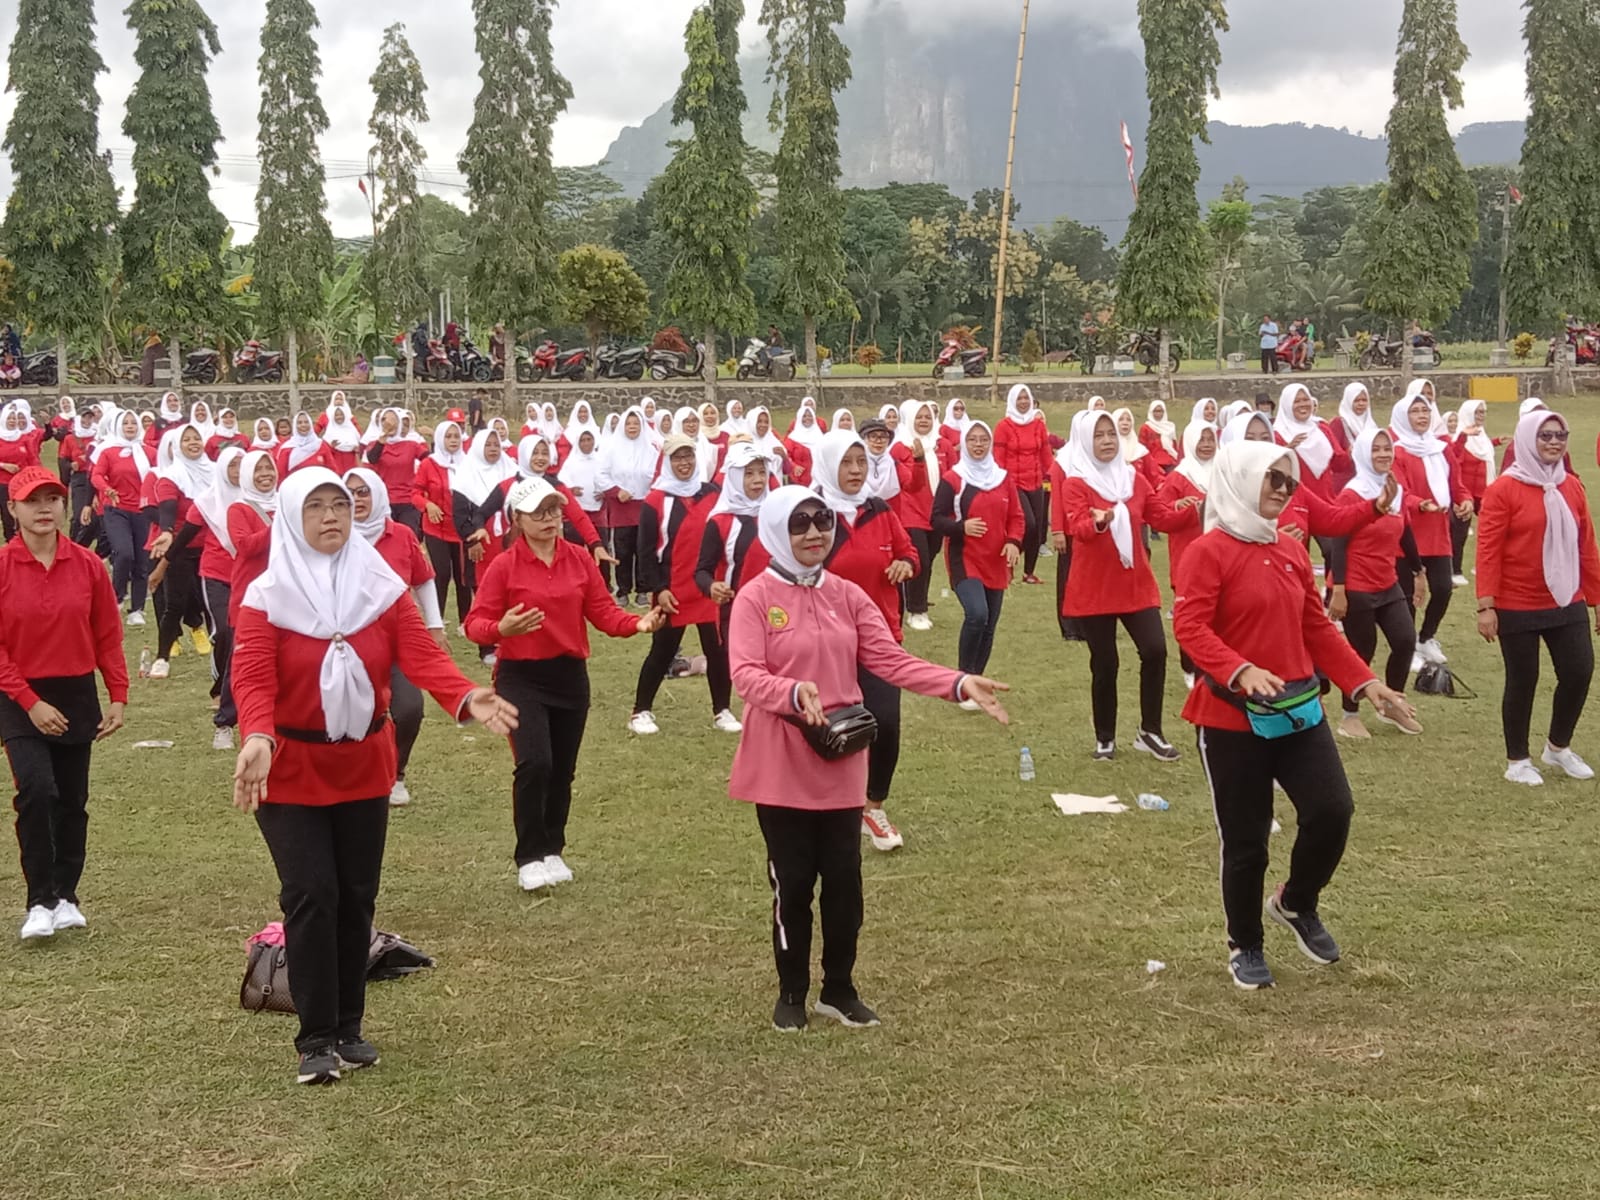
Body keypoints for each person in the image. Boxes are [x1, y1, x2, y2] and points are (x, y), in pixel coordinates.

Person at [231, 468, 518, 1085]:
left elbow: (422, 655)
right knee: (312, 894)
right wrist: (257, 733)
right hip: (291, 769)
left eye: (340, 504)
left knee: (356, 895)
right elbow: (252, 676)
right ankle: (314, 1039)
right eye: (317, 507)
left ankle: (348, 1027)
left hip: (363, 764)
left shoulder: (378, 586)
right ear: (290, 518)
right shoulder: (267, 596)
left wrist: (468, 696)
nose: (332, 515)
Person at [728, 485, 1009, 1030]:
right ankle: (792, 993)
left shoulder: (847, 595)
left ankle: (839, 988)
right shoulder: (756, 598)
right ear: (776, 531)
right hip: (782, 759)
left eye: (823, 521)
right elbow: (744, 673)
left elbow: (890, 660)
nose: (814, 533)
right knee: (791, 882)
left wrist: (957, 683)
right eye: (800, 523)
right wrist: (791, 694)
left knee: (844, 880)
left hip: (840, 759)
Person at [1173, 441, 1413, 990]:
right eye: (1271, 478)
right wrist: (1240, 671)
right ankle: (1246, 944)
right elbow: (1191, 629)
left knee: (1334, 810)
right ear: (1240, 479)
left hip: (1299, 712)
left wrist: (1368, 683)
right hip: (1231, 721)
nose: (1283, 488)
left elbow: (1316, 628)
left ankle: (1297, 902)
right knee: (1247, 839)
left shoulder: (1288, 548)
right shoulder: (1206, 552)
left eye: (1288, 480)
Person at [466, 478, 662, 891]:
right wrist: (502, 627)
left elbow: (605, 613)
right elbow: (474, 625)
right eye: (539, 512)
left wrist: (638, 623)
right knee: (535, 763)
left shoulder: (577, 558)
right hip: (521, 677)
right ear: (517, 519)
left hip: (570, 677)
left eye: (554, 510)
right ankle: (528, 855)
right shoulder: (505, 566)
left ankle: (553, 848)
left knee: (562, 770)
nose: (550, 519)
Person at [0, 467, 127, 941]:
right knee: (36, 790)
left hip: (76, 691)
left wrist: (117, 695)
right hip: (18, 695)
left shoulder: (88, 565)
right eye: (32, 501)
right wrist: (30, 702)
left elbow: (106, 635)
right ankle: (39, 900)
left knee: (73, 800)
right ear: (12, 509)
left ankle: (67, 897)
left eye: (53, 499)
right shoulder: (3, 566)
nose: (45, 508)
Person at [1476, 409, 1600, 787]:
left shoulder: (1571, 486)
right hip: (1517, 602)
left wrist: (1596, 599)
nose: (1553, 443)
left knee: (1579, 671)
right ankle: (1517, 760)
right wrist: (1486, 605)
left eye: (1559, 436)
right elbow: (1488, 548)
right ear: (1529, 440)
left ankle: (1558, 747)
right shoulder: (1504, 489)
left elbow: (1586, 545)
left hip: (1566, 598)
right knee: (1523, 679)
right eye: (1545, 436)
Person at [810, 429, 920, 853]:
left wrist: (904, 565)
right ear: (828, 465)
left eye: (861, 462)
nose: (856, 470)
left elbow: (910, 552)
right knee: (830, 728)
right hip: (826, 642)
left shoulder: (880, 509)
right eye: (846, 463)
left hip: (880, 640)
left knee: (886, 723)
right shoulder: (812, 514)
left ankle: (872, 805)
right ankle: (829, 808)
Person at [1055, 409, 1183, 762]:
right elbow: (1079, 528)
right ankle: (1105, 737)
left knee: (1155, 650)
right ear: (1085, 440)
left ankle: (1150, 731)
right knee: (1105, 661)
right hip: (1095, 587)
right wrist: (1101, 522)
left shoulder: (1133, 479)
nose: (1108, 441)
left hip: (1134, 583)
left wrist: (1193, 509)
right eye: (1099, 435)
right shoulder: (1076, 483)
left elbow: (1160, 517)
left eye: (1111, 433)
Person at [345, 468, 446, 807]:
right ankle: (359, 775)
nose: (357, 499)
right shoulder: (336, 535)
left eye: (363, 492)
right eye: (351, 493)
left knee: (409, 708)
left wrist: (435, 625)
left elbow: (423, 578)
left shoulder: (401, 535)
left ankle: (396, 774)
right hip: (349, 642)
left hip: (398, 639)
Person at [629, 435, 731, 735]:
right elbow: (645, 553)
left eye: (688, 456)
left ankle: (722, 710)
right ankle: (640, 711)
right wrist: (659, 590)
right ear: (667, 461)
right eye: (677, 457)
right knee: (662, 651)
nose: (684, 463)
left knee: (718, 650)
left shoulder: (713, 492)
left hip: (708, 587)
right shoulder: (654, 501)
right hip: (672, 590)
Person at [1327, 428, 1420, 739]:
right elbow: (1337, 543)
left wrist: (1419, 572)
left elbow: (1405, 531)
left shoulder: (1395, 489)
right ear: (1364, 454)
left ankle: (1392, 704)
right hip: (1356, 585)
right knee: (1360, 651)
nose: (1383, 454)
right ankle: (1349, 715)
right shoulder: (1352, 494)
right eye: (1376, 449)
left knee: (1406, 640)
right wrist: (1338, 589)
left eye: (1387, 448)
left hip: (1387, 582)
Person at [931, 422, 1023, 690]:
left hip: (996, 559)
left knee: (990, 624)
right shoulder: (953, 479)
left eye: (984, 439)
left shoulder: (1003, 478)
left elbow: (1017, 517)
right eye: (973, 440)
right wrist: (962, 527)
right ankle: (963, 678)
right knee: (977, 614)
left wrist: (1014, 542)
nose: (979, 444)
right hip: (965, 557)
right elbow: (936, 518)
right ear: (965, 443)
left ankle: (976, 681)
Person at [1388, 381, 1472, 668]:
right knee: (1410, 594)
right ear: (1404, 417)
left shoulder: (1442, 448)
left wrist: (1465, 501)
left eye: (1426, 410)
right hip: (1410, 533)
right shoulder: (1397, 451)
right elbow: (1400, 491)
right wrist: (1419, 504)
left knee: (1443, 588)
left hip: (1439, 532)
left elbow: (1456, 484)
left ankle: (1427, 637)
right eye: (1415, 412)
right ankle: (1408, 644)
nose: (1422, 416)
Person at [147, 425, 215, 679]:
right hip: (181, 548)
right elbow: (167, 505)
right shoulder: (172, 476)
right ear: (177, 446)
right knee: (174, 604)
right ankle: (162, 657)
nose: (193, 442)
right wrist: (165, 530)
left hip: (214, 548)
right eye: (186, 439)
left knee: (213, 604)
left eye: (196, 437)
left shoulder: (217, 471)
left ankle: (223, 658)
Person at [91, 411, 153, 624]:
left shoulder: (148, 452)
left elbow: (160, 474)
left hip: (143, 512)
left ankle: (137, 609)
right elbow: (96, 475)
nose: (130, 426)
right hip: (116, 509)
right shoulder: (108, 452)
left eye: (133, 422)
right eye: (125, 423)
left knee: (142, 561)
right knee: (124, 553)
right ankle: (117, 597)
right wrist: (107, 489)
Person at [413, 420, 473, 632]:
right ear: (439, 439)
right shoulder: (429, 464)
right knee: (441, 573)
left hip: (462, 529)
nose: (453, 441)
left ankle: (465, 622)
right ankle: (435, 621)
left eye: (456, 436)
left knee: (463, 576)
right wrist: (428, 505)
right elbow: (415, 494)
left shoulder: (469, 463)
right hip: (436, 528)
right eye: (448, 437)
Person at [595, 407, 658, 607]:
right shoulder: (611, 449)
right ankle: (623, 590)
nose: (632, 427)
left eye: (636, 424)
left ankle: (643, 589)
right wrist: (616, 491)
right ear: (623, 426)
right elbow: (600, 475)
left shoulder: (650, 450)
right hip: (621, 508)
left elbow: (658, 475)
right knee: (623, 550)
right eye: (629, 424)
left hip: (645, 506)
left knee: (643, 549)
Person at [993, 385, 1052, 585]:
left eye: (1026, 398)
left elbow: (1045, 453)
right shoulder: (1004, 426)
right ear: (1012, 401)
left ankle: (1029, 573)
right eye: (1019, 398)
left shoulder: (1038, 425)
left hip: (1036, 482)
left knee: (1038, 528)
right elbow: (998, 458)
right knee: (1029, 524)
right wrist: (999, 482)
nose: (1024, 402)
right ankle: (1008, 562)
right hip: (1013, 483)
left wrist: (1051, 475)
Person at [891, 400, 941, 630]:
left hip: (937, 511)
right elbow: (906, 483)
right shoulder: (901, 447)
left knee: (929, 559)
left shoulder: (942, 445)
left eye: (927, 416)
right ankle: (916, 610)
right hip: (910, 512)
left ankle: (913, 599)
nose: (923, 421)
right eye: (919, 417)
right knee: (919, 560)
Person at [1449, 399, 1498, 586]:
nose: (1481, 416)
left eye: (1483, 412)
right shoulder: (1459, 439)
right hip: (1465, 495)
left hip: (1484, 493)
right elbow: (1455, 464)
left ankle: (1483, 566)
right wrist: (1458, 495)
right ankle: (1455, 571)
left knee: (1490, 531)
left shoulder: (1483, 438)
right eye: (1477, 413)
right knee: (1459, 534)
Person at [362, 408, 429, 537]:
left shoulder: (412, 445)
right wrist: (382, 440)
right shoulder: (373, 444)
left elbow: (428, 459)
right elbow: (372, 458)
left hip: (408, 500)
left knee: (409, 536)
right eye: (385, 419)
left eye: (393, 420)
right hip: (385, 501)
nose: (389, 423)